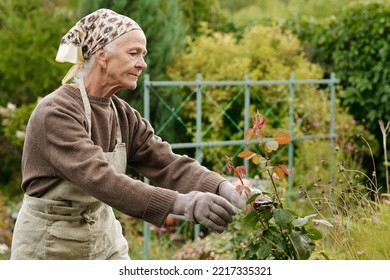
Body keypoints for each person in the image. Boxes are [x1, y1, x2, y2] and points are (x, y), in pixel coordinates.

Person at [10, 9, 252, 260]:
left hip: (103, 237)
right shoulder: (56, 112)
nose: (143, 63)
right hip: (50, 241)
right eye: (133, 53)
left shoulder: (122, 113)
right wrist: (184, 204)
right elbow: (101, 179)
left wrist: (223, 187)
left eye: (143, 54)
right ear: (102, 55)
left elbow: (166, 163)